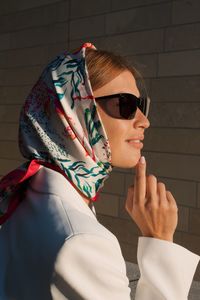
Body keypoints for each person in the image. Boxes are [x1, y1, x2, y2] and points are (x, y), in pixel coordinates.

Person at [0, 42, 199, 300]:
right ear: (73, 113)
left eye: (142, 105)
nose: (144, 121)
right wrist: (159, 239)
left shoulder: (25, 194)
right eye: (125, 105)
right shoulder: (82, 242)